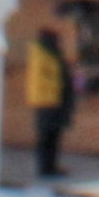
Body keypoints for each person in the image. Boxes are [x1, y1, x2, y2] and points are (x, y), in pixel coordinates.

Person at [23, 18, 76, 184]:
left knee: (51, 136)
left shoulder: (46, 52)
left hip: (49, 100)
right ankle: (46, 168)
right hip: (48, 101)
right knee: (48, 136)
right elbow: (54, 76)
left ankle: (49, 166)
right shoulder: (45, 53)